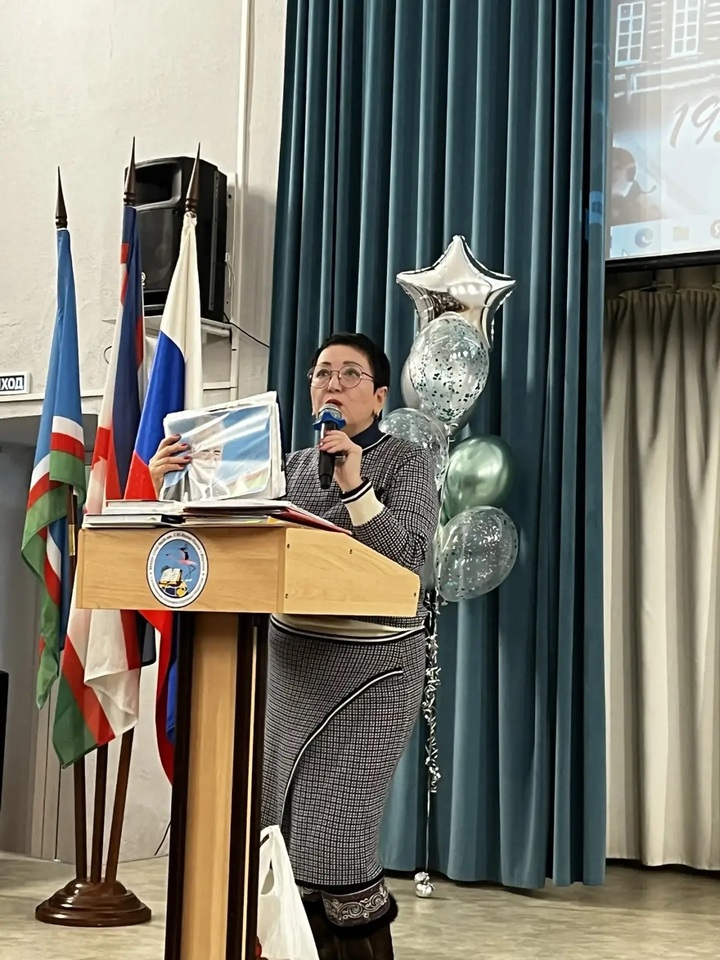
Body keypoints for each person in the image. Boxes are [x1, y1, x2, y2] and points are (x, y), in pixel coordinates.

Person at [149, 333, 439, 960]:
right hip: (290, 666)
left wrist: (356, 485)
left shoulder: (406, 461)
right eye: (322, 372)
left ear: (379, 397)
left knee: (337, 842)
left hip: (374, 671)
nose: (333, 383)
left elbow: (408, 560)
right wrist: (170, 487)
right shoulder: (288, 466)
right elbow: (228, 543)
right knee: (279, 835)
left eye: (351, 374)